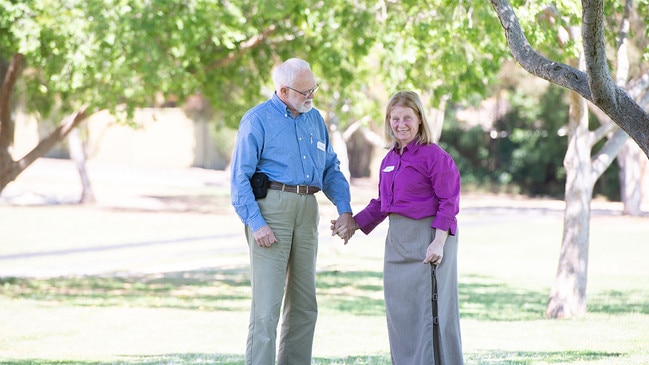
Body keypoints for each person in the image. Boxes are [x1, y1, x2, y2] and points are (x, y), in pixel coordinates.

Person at [230, 57, 355, 365]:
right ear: (284, 91)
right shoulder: (257, 120)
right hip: (271, 210)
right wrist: (257, 223)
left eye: (314, 88)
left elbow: (330, 169)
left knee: (304, 303)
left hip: (307, 209)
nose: (311, 96)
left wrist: (345, 209)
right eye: (305, 91)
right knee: (267, 307)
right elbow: (239, 179)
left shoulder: (314, 119)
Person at [332, 90, 463, 364]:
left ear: (419, 119)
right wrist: (352, 224)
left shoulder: (435, 157)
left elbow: (448, 203)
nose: (400, 124)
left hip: (429, 240)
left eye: (406, 117)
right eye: (394, 118)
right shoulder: (389, 160)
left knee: (429, 313)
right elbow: (383, 204)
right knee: (400, 314)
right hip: (397, 244)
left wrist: (438, 242)